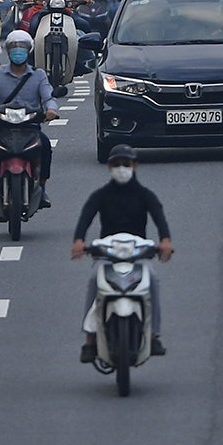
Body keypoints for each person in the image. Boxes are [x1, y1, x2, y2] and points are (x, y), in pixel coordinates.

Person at [71, 145, 174, 360]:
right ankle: (90, 339)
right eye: (116, 164)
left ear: (135, 166)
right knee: (94, 279)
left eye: (126, 164)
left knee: (152, 279)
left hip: (138, 253)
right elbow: (86, 217)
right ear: (109, 167)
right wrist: (79, 241)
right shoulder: (100, 195)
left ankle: (153, 335)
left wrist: (165, 241)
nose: (121, 168)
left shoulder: (145, 195)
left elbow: (159, 218)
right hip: (107, 253)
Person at [0, 30, 60, 206]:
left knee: (45, 145)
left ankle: (42, 187)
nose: (18, 51)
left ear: (29, 50)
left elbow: (48, 97)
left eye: (22, 47)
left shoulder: (38, 75)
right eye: (14, 47)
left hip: (30, 127)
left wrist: (51, 110)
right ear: (8, 51)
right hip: (0, 127)